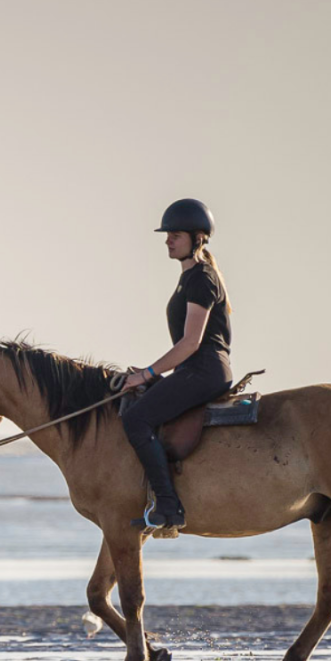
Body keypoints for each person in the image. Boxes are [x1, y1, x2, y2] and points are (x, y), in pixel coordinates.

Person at [121, 198, 233, 530]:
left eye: (176, 235)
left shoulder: (202, 278)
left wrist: (147, 373)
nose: (168, 240)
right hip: (193, 370)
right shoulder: (189, 278)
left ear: (197, 239)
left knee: (136, 419)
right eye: (167, 235)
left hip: (204, 370)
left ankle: (169, 506)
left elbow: (191, 343)